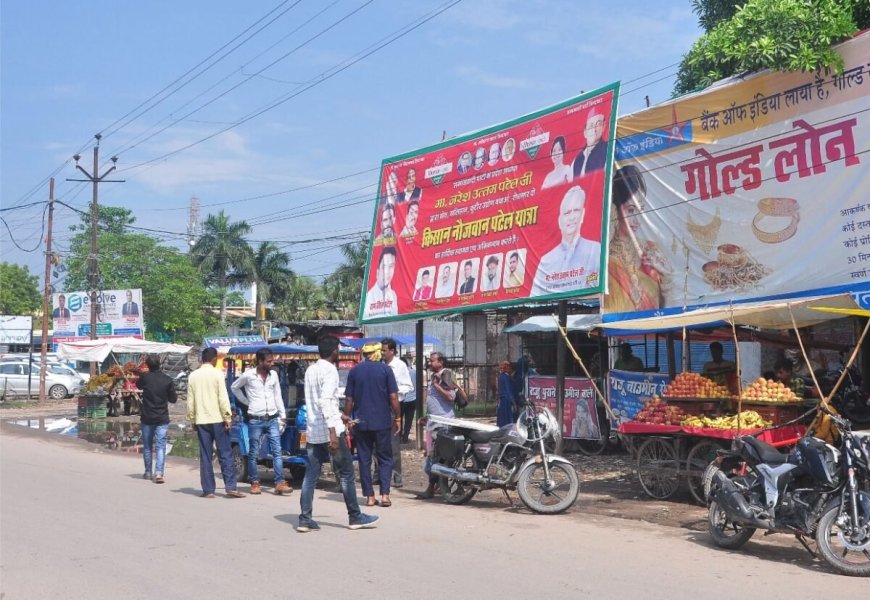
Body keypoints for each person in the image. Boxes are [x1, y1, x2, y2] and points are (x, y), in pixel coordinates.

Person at [300, 336, 378, 531]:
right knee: (346, 474)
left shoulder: (311, 369)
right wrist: (333, 432)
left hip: (314, 429)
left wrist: (341, 415)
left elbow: (320, 401)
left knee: (310, 476)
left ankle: (304, 518)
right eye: (338, 349)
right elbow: (325, 401)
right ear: (334, 351)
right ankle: (355, 516)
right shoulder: (330, 371)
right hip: (329, 431)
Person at [605, 164, 669, 312]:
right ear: (615, 210)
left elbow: (669, 305)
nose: (637, 219)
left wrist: (665, 279)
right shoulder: (605, 261)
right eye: (631, 210)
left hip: (659, 330)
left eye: (641, 210)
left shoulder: (651, 250)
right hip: (620, 331)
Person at [345, 342, 400, 508]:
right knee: (384, 458)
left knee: (364, 459)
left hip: (361, 422)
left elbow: (349, 399)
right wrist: (398, 417)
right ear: (377, 353)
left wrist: (347, 418)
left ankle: (369, 496)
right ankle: (385, 496)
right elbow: (393, 397)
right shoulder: (386, 370)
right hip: (382, 421)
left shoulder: (354, 371)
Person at [230, 347, 292, 496]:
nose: (272, 363)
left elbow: (278, 396)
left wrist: (282, 415)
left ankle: (279, 482)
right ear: (260, 361)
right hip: (255, 419)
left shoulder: (274, 376)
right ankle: (255, 482)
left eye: (272, 360)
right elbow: (234, 387)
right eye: (269, 361)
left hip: (272, 418)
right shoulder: (249, 375)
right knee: (253, 452)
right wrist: (247, 401)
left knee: (277, 451)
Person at [187, 347, 245, 499]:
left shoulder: (193, 376)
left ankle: (208, 490)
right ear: (214, 359)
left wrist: (192, 420)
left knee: (205, 455)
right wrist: (228, 418)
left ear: (202, 359)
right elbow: (223, 398)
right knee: (225, 453)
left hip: (201, 420)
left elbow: (190, 401)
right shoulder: (217, 374)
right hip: (218, 419)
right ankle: (231, 487)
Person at [531, 186, 601, 296]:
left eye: (576, 211)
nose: (572, 217)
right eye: (567, 213)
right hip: (550, 311)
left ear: (582, 215)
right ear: (559, 221)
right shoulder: (546, 260)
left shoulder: (595, 250)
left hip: (589, 308)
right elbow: (534, 299)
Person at [420, 352, 458, 499]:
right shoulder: (436, 376)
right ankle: (437, 486)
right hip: (434, 421)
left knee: (437, 457)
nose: (430, 363)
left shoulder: (446, 374)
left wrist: (436, 385)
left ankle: (432, 487)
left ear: (441, 362)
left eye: (432, 360)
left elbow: (450, 397)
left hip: (443, 422)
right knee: (433, 456)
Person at [136, 354, 177, 483]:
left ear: (147, 365)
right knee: (160, 446)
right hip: (162, 417)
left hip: (147, 417)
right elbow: (173, 399)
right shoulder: (167, 380)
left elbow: (138, 385)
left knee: (147, 446)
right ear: (160, 364)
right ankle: (159, 473)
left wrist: (142, 374)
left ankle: (148, 472)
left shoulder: (145, 379)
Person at [382, 338, 413, 487]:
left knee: (394, 443)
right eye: (381, 350)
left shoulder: (400, 366)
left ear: (392, 351)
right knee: (379, 443)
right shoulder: (380, 365)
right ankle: (379, 473)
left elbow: (408, 386)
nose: (382, 353)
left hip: (394, 406)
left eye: (385, 350)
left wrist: (393, 391)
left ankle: (397, 475)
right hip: (380, 406)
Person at [363, 247, 398, 318]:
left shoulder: (393, 295)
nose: (387, 272)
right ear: (377, 272)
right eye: (384, 267)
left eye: (391, 266)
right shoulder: (369, 297)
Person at [572, 108, 607, 178]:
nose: (594, 129)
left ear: (603, 127)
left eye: (598, 124)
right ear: (585, 132)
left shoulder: (608, 150)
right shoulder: (577, 159)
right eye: (591, 125)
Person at [497, 361, 518, 427]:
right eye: (509, 368)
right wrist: (514, 403)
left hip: (502, 400)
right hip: (507, 401)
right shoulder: (506, 378)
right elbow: (508, 391)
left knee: (502, 419)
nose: (511, 370)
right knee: (507, 420)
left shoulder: (501, 377)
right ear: (507, 368)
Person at [401, 359, 417, 443]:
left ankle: (398, 436)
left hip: (401, 400)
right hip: (412, 399)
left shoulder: (399, 373)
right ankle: (405, 438)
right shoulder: (414, 372)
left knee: (398, 419)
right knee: (409, 420)